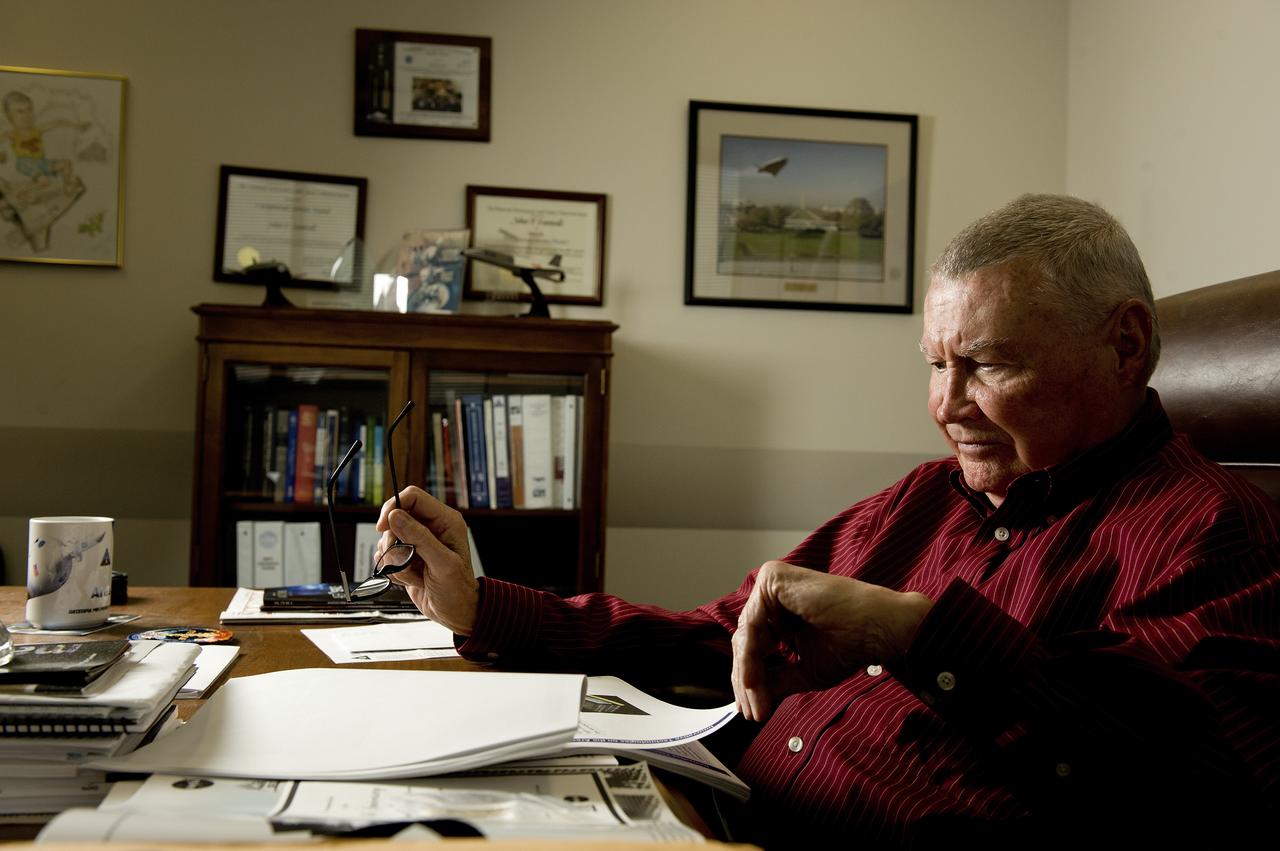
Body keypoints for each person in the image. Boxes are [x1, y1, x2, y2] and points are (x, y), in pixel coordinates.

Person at [377, 194, 1278, 847]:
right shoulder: (925, 501)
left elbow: (1200, 776)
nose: (948, 406)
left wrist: (921, 635)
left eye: (988, 365)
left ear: (1123, 345)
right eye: (936, 365)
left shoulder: (1216, 527)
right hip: (707, 812)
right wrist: (484, 607)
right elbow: (719, 639)